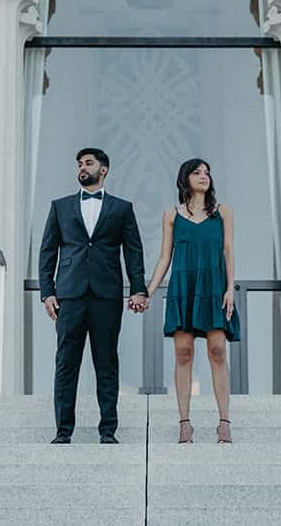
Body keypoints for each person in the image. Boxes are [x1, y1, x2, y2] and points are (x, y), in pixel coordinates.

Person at [37, 147, 148, 444]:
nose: (82, 168)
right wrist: (46, 291)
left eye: (88, 163)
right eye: (79, 164)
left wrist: (138, 288)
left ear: (104, 169)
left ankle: (108, 429)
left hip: (106, 295)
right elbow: (48, 250)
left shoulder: (122, 208)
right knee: (66, 363)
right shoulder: (59, 206)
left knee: (106, 362)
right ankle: (63, 431)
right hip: (69, 295)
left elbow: (133, 251)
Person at [144, 157, 240, 445]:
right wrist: (147, 291)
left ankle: (224, 422)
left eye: (207, 172)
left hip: (214, 287)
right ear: (185, 178)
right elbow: (165, 258)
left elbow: (228, 251)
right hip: (183, 287)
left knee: (217, 350)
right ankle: (185, 423)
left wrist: (230, 289)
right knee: (183, 353)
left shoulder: (222, 212)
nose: (203, 176)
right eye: (197, 172)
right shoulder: (171, 215)